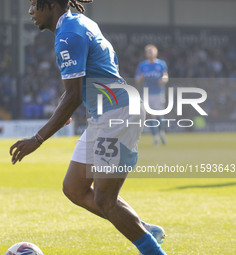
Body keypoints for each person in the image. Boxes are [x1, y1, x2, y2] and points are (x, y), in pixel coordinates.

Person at [10, 1, 167, 254]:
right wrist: (66, 112)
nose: (30, 11)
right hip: (106, 113)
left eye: (33, 5)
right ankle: (143, 229)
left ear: (50, 5)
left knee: (105, 199)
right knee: (74, 188)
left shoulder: (68, 35)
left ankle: (152, 250)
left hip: (117, 114)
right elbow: (86, 83)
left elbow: (73, 96)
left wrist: (37, 139)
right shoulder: (81, 23)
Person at [135, 44, 169, 146]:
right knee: (151, 116)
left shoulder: (161, 64)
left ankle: (162, 132)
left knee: (160, 115)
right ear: (146, 54)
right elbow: (137, 79)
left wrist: (164, 80)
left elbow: (166, 76)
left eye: (151, 51)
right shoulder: (142, 65)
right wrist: (139, 78)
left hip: (158, 93)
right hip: (147, 94)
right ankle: (155, 138)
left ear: (156, 52)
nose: (149, 53)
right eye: (148, 51)